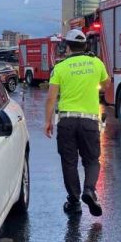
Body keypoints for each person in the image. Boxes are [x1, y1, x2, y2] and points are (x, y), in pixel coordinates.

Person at [44, 29, 110, 217]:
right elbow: (106, 84)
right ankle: (89, 190)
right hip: (89, 121)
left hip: (67, 121)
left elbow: (51, 98)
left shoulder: (60, 67)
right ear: (86, 45)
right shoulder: (96, 63)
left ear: (67, 46)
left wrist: (47, 121)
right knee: (91, 160)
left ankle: (74, 201)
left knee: (69, 162)